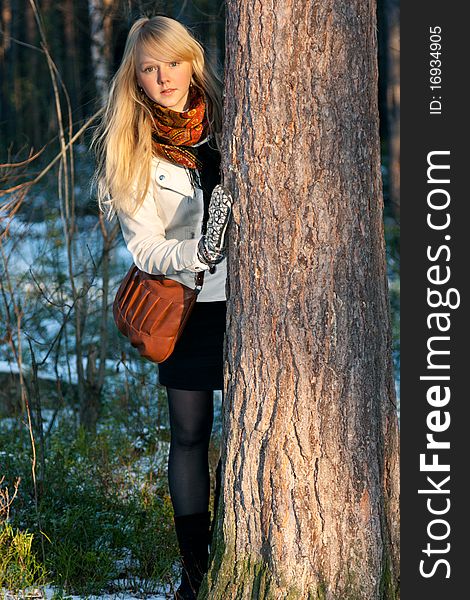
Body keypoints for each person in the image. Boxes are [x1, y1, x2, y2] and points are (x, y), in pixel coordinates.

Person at [91, 15, 232, 600]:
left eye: (172, 61)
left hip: (261, 303)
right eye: (149, 69)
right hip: (192, 306)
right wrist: (199, 251)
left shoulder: (232, 117)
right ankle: (195, 576)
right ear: (136, 80)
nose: (163, 76)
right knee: (190, 433)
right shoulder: (133, 148)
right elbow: (145, 247)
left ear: (191, 61)